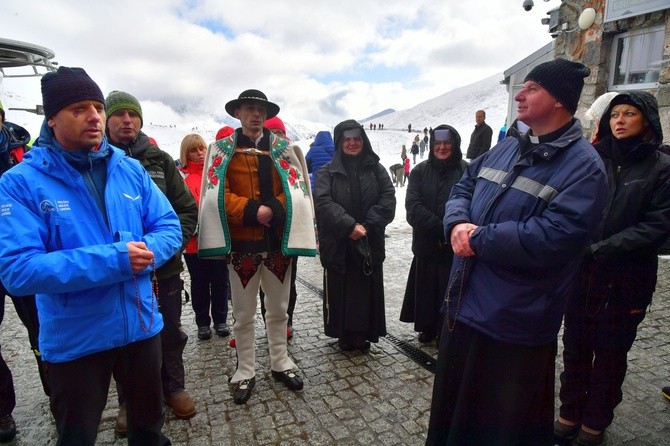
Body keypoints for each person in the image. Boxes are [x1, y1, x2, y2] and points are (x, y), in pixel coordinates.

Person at [426, 58, 609, 446]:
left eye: (532, 88)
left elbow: (554, 236)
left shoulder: (585, 168)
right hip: (464, 305)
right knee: (451, 417)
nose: (520, 96)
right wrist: (457, 224)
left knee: (498, 427)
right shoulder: (507, 147)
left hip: (514, 322)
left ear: (558, 100)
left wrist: (477, 239)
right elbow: (464, 187)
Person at [0, 66, 181, 445]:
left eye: (97, 106)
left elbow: (169, 227)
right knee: (78, 436)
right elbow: (18, 270)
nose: (95, 116)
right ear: (52, 118)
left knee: (149, 430)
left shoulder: (130, 170)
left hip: (141, 327)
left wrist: (144, 252)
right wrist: (116, 259)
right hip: (76, 341)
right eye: (79, 108)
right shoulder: (19, 183)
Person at [554, 91, 670, 446]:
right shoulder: (592, 160)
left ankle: (595, 420)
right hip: (583, 276)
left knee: (610, 354)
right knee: (575, 345)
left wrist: (600, 249)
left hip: (627, 279)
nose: (619, 120)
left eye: (629, 114)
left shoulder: (662, 168)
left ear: (647, 122)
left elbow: (658, 226)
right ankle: (569, 412)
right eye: (615, 114)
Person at [198, 89, 316, 405]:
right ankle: (245, 369)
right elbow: (215, 195)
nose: (256, 115)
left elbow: (297, 189)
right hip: (241, 247)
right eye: (249, 109)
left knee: (278, 310)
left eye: (260, 110)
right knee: (243, 313)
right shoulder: (221, 152)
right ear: (237, 113)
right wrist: (252, 211)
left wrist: (274, 210)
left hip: (278, 245)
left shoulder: (284, 150)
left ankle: (280, 361)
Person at [105, 90, 198, 426]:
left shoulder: (160, 160)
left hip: (164, 269)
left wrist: (165, 250)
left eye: (132, 114)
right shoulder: (97, 163)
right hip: (118, 271)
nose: (126, 120)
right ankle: (129, 401)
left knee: (170, 332)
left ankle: (173, 388)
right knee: (125, 335)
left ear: (141, 120)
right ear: (106, 119)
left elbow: (187, 210)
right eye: (119, 115)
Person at [314, 119, 395, 351]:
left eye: (356, 139)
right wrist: (349, 226)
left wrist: (367, 225)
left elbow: (388, 200)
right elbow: (323, 203)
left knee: (365, 289)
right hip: (340, 242)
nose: (352, 143)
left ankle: (365, 334)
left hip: (369, 239)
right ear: (339, 142)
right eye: (347, 139)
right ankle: (344, 335)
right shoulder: (326, 172)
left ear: (363, 141)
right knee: (342, 289)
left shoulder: (377, 170)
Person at [0, 103, 50, 443]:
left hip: (24, 254)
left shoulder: (25, 156)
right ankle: (2, 408)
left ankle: (56, 390)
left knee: (39, 329)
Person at [400, 125, 467, 344]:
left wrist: (453, 227)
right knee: (427, 290)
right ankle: (427, 327)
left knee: (450, 288)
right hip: (427, 243)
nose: (442, 148)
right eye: (438, 144)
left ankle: (446, 330)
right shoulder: (419, 171)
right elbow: (413, 206)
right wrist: (441, 227)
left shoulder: (466, 171)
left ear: (455, 145)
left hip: (453, 245)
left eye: (447, 143)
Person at [179, 133, 231, 341]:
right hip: (193, 244)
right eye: (194, 150)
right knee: (199, 283)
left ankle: (221, 320)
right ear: (186, 153)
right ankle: (203, 323)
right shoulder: (181, 177)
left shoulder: (215, 174)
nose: (200, 154)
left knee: (220, 281)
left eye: (202, 149)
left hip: (217, 238)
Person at [259, 116, 299, 339]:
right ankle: (269, 321)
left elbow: (298, 191)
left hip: (287, 231)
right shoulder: (255, 156)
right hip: (259, 230)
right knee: (264, 283)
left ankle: (287, 320)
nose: (276, 137)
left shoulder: (292, 157)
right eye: (272, 132)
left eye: (280, 132)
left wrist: (274, 208)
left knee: (288, 281)